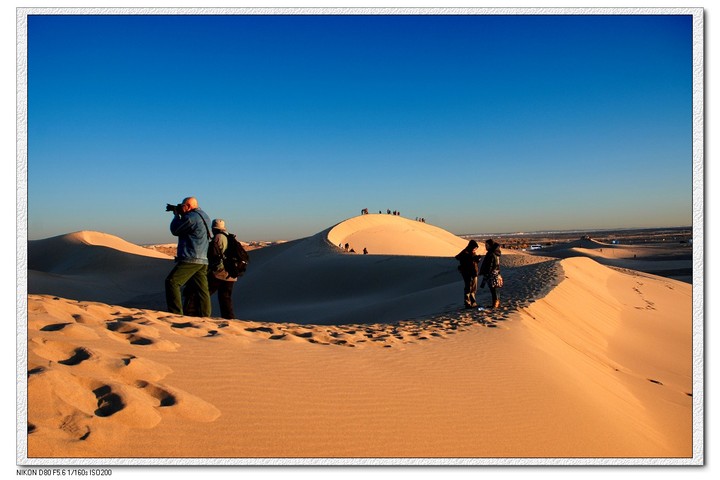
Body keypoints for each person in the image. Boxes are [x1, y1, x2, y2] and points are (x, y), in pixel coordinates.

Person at [165, 196, 212, 317]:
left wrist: (176, 215)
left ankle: (175, 314)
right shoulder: (204, 216)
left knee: (172, 282)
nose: (181, 208)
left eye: (183, 206)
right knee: (201, 289)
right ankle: (205, 316)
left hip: (191, 257)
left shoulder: (191, 217)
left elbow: (175, 230)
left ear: (189, 206)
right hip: (202, 259)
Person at [206, 219, 238, 319]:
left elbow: (213, 255)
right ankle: (229, 319)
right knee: (225, 298)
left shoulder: (218, 237)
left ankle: (199, 315)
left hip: (219, 272)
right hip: (232, 273)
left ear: (213, 228)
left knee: (204, 293)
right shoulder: (231, 237)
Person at [455, 240, 481, 309]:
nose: (475, 249)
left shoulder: (473, 253)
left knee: (473, 288)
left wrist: (477, 259)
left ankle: (473, 302)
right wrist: (471, 258)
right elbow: (458, 257)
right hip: (467, 273)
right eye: (474, 248)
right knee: (468, 288)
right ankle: (467, 303)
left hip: (474, 273)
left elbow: (474, 263)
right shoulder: (465, 252)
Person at [479, 238, 503, 308]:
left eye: (486, 245)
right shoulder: (495, 252)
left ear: (490, 245)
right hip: (496, 273)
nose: (486, 247)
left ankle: (495, 303)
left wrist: (487, 272)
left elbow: (491, 264)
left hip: (492, 273)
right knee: (495, 288)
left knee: (494, 288)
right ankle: (496, 302)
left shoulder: (491, 253)